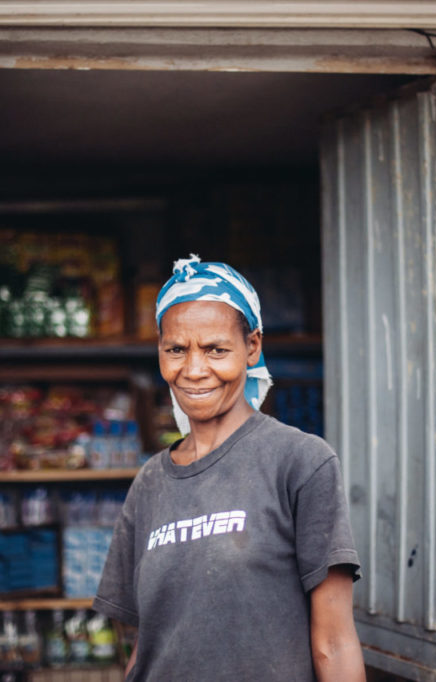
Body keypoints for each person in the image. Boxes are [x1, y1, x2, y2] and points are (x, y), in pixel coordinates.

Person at [92, 255, 364, 681]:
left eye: (216, 349)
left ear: (251, 347)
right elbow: (149, 645)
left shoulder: (300, 463)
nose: (195, 370)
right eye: (176, 350)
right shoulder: (150, 483)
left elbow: (334, 642)